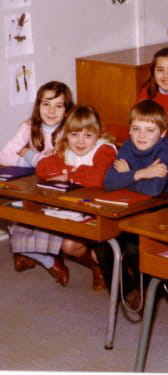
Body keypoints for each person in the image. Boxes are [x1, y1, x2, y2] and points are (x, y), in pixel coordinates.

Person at [99, 100, 168, 309]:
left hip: (167, 212)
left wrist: (127, 176)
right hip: (136, 207)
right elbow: (108, 182)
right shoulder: (129, 145)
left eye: (149, 130)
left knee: (133, 245)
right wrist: (141, 173)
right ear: (129, 130)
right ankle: (127, 290)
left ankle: (145, 287)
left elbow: (154, 190)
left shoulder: (165, 152)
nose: (141, 136)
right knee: (102, 240)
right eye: (136, 129)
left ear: (162, 133)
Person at [36, 105, 117, 289]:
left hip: (105, 214)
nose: (80, 141)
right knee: (69, 246)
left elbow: (99, 178)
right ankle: (97, 268)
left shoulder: (105, 149)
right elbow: (42, 168)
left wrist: (68, 175)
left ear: (98, 134)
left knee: (99, 253)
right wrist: (73, 171)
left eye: (88, 135)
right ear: (67, 134)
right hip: (79, 210)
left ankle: (113, 268)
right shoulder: (65, 148)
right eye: (74, 134)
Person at [1, 82, 74, 284]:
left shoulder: (70, 130)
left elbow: (63, 165)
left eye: (58, 106)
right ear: (38, 106)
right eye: (46, 104)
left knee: (47, 218)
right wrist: (34, 162)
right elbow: (5, 155)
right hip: (33, 184)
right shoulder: (28, 127)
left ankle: (29, 254)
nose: (51, 111)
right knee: (15, 212)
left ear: (67, 111)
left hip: (59, 189)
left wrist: (29, 154)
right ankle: (47, 260)